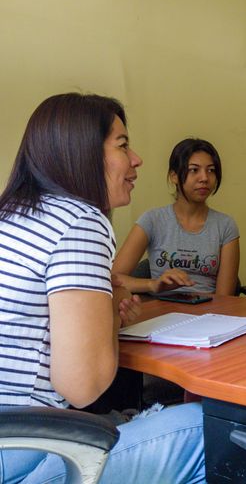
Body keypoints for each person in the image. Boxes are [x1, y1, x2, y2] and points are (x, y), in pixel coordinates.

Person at [0, 93, 205, 483]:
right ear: (82, 153)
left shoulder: (11, 213)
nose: (136, 159)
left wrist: (105, 309)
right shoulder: (80, 221)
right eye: (123, 145)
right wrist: (109, 312)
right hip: (18, 447)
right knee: (204, 430)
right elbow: (83, 386)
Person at [112, 138, 239, 296]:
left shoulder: (225, 226)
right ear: (174, 176)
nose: (204, 178)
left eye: (211, 170)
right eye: (194, 170)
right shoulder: (152, 220)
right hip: (161, 308)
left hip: (210, 308)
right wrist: (153, 284)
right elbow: (114, 278)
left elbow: (225, 298)